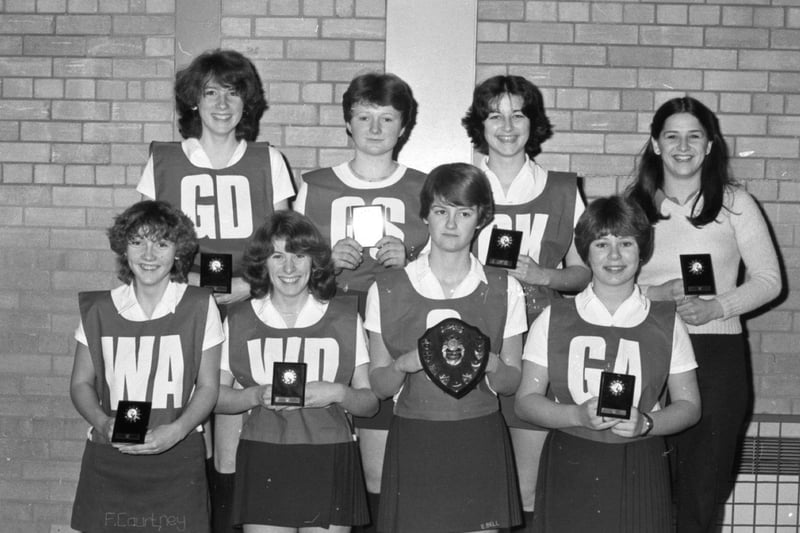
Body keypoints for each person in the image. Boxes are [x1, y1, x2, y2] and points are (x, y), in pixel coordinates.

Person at [136, 48, 295, 532]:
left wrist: (253, 283)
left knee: (236, 422)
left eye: (233, 92)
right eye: (210, 92)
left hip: (253, 305)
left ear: (248, 102)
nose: (222, 103)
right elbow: (145, 239)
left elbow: (287, 244)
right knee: (186, 423)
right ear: (193, 101)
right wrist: (187, 288)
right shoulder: (165, 159)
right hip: (184, 309)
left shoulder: (267, 160)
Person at [626, 96, 782, 532]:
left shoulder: (736, 203)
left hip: (717, 355)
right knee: (647, 484)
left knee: (703, 490)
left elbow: (770, 280)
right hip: (648, 348)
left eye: (694, 136)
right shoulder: (632, 207)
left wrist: (718, 306)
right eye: (671, 136)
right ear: (655, 144)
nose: (682, 145)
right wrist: (654, 292)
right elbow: (604, 280)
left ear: (710, 146)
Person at [514, 195, 702, 532]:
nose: (614, 256)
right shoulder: (554, 317)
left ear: (642, 251)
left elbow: (689, 406)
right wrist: (574, 414)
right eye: (602, 244)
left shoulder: (667, 321)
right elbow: (525, 402)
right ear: (585, 252)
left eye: (626, 243)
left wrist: (646, 423)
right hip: (571, 459)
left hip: (640, 464)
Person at [294, 72, 429, 529]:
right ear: (347, 123)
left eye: (387, 118)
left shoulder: (425, 187)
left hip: (396, 334)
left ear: (404, 126)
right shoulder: (314, 186)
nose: (375, 128)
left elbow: (448, 268)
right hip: (332, 331)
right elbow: (286, 271)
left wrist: (412, 258)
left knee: (381, 467)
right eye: (364, 117)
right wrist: (324, 264)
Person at [366, 163, 526, 533]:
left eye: (464, 213)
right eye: (441, 211)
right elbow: (378, 386)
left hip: (478, 433)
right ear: (425, 215)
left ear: (481, 219)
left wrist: (489, 363)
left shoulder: (504, 288)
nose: (451, 224)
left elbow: (511, 382)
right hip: (416, 434)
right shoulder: (387, 288)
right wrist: (404, 364)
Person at [462, 74, 591, 527]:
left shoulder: (561, 187)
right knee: (474, 481)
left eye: (518, 114)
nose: (507, 125)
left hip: (539, 339)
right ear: (480, 124)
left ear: (532, 123)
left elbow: (584, 271)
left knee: (526, 483)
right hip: (477, 338)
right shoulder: (463, 184)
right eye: (495, 114)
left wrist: (545, 275)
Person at [215, 210, 378, 532]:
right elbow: (215, 397)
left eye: (299, 256)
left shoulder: (344, 317)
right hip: (263, 452)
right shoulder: (239, 318)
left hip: (329, 452)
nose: (289, 268)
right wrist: (255, 395)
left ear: (315, 262)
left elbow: (370, 403)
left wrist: (338, 393)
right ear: (263, 263)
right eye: (277, 256)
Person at [70, 200, 223, 533]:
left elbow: (209, 387)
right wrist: (102, 422)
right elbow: (81, 383)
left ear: (178, 251)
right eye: (138, 242)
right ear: (123, 249)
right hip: (111, 455)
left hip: (177, 453)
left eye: (161, 243)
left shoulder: (199, 303)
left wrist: (177, 430)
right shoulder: (99, 308)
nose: (149, 254)